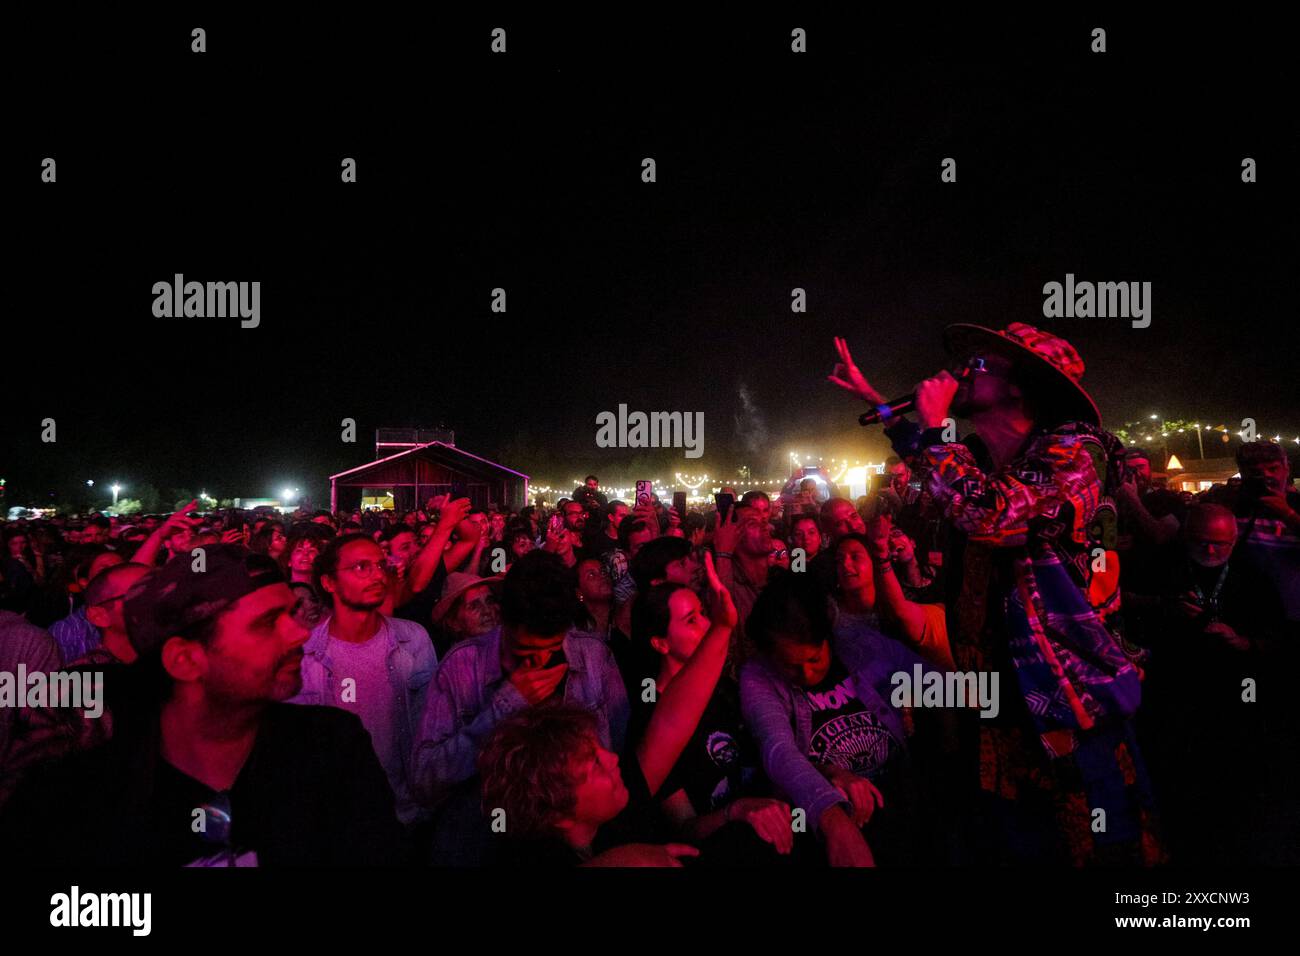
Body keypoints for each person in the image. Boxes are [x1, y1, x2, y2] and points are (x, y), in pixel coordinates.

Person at [830, 323, 1161, 865]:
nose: (959, 372)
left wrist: (935, 424)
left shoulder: (1076, 453)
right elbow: (941, 470)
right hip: (1005, 701)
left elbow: (988, 513)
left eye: (977, 364)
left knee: (1098, 848)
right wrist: (884, 407)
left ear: (1020, 385)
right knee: (1020, 844)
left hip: (1070, 704)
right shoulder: (994, 460)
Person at [0, 545, 406, 865]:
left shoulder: (330, 746)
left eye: (291, 613)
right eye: (268, 622)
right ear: (185, 659)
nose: (299, 633)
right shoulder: (90, 791)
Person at [479, 552, 738, 865]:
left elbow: (672, 723)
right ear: (557, 807)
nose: (613, 755)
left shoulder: (614, 815)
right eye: (594, 764)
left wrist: (722, 628)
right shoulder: (537, 857)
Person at [411, 551, 630, 809]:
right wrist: (504, 707)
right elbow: (425, 779)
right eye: (526, 651)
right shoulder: (460, 667)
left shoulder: (593, 656)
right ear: (504, 618)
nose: (539, 662)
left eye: (552, 649)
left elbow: (620, 752)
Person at [631, 581, 791, 861]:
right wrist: (736, 811)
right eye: (692, 620)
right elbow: (684, 829)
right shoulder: (651, 723)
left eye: (704, 612)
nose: (707, 624)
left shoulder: (726, 690)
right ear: (660, 643)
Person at [290, 533, 437, 829]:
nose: (377, 575)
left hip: (405, 810)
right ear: (329, 583)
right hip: (334, 818)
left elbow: (429, 728)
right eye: (361, 567)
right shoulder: (305, 656)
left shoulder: (412, 639)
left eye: (381, 566)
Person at [430, 571, 504, 659]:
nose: (487, 611)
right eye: (474, 606)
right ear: (453, 622)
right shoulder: (455, 665)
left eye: (490, 601)